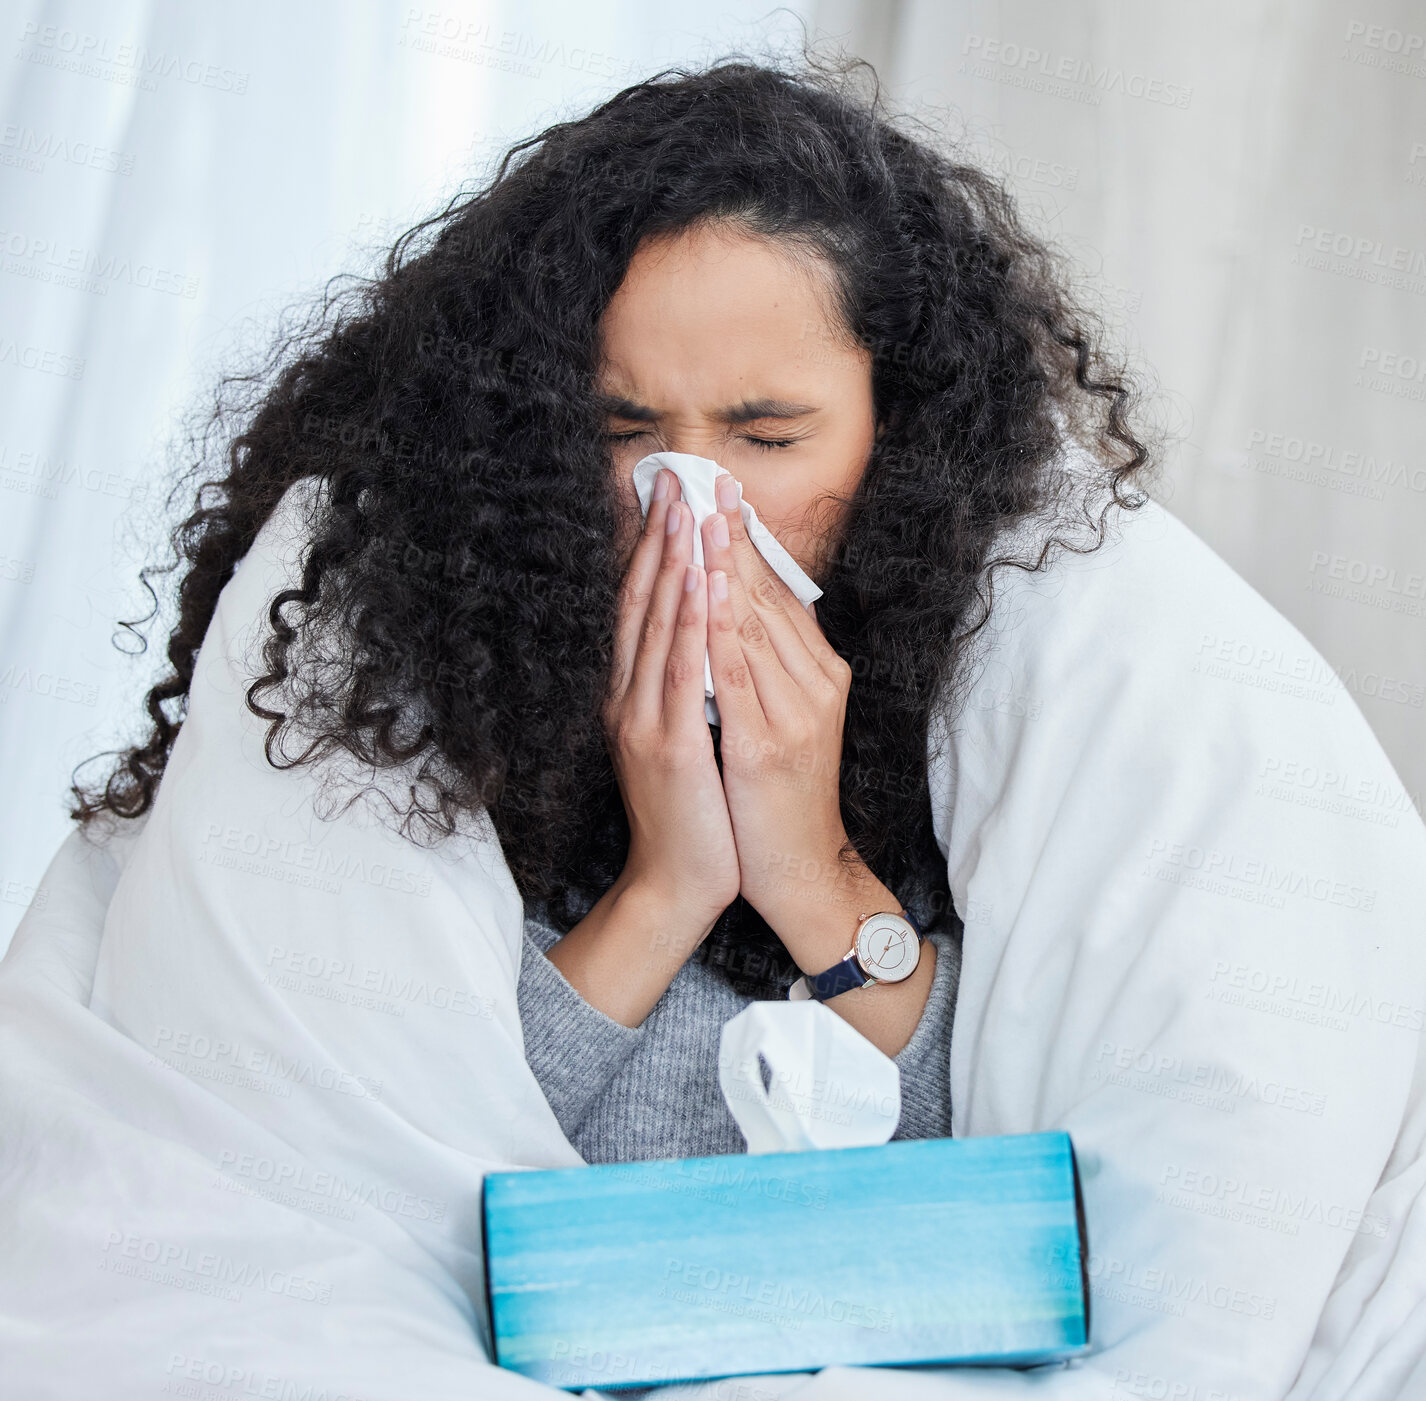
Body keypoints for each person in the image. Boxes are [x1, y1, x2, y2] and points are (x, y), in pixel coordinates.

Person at [69, 54, 1155, 1165]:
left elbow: (1014, 1157)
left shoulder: (992, 697)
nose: (685, 499)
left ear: (902, 435)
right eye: (619, 433)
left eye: (767, 439)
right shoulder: (428, 692)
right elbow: (379, 1163)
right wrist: (663, 887)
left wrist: (809, 871)